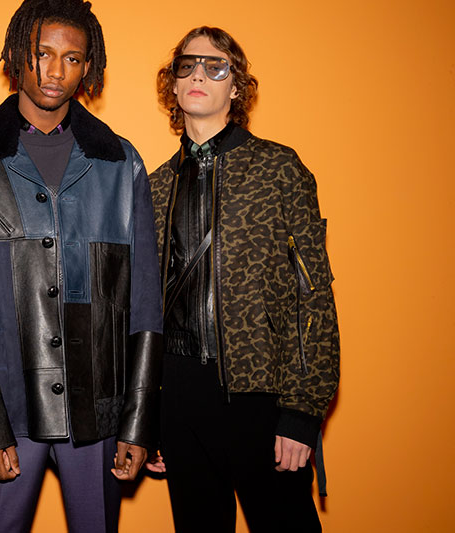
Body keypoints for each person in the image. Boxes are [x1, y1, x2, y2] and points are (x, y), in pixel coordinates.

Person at [0, 1, 163, 531]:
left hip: (99, 412)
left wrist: (137, 417)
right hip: (6, 410)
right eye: (42, 54)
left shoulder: (120, 163)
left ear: (88, 67)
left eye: (72, 58)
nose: (56, 71)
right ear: (19, 55)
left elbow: (145, 299)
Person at [146, 26, 340, 532]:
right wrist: (148, 413)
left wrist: (302, 410)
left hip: (262, 396)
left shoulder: (279, 169)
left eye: (216, 67)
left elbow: (313, 296)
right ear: (173, 83)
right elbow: (144, 306)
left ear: (236, 88)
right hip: (179, 398)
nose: (199, 75)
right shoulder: (154, 186)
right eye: (187, 65)